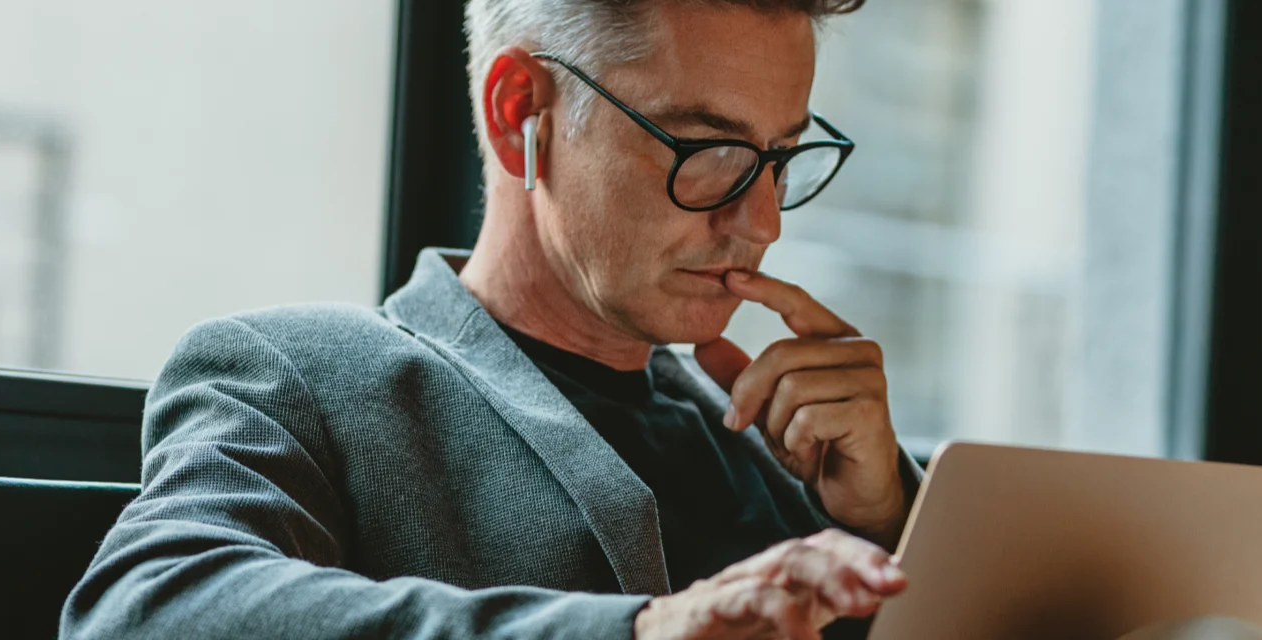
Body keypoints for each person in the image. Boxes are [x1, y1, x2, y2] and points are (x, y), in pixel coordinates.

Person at [60, 0, 926, 638]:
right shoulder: (303, 376)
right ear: (520, 112)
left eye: (779, 158)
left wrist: (895, 521)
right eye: (712, 153)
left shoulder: (799, 456)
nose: (764, 221)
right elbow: (143, 612)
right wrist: (650, 631)